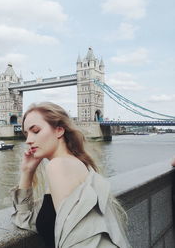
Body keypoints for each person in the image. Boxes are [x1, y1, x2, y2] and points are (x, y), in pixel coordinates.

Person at [11, 102, 130, 248]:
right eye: (26, 133)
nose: (28, 140)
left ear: (59, 131)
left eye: (35, 131)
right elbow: (26, 219)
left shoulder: (58, 167)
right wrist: (27, 171)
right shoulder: (77, 164)